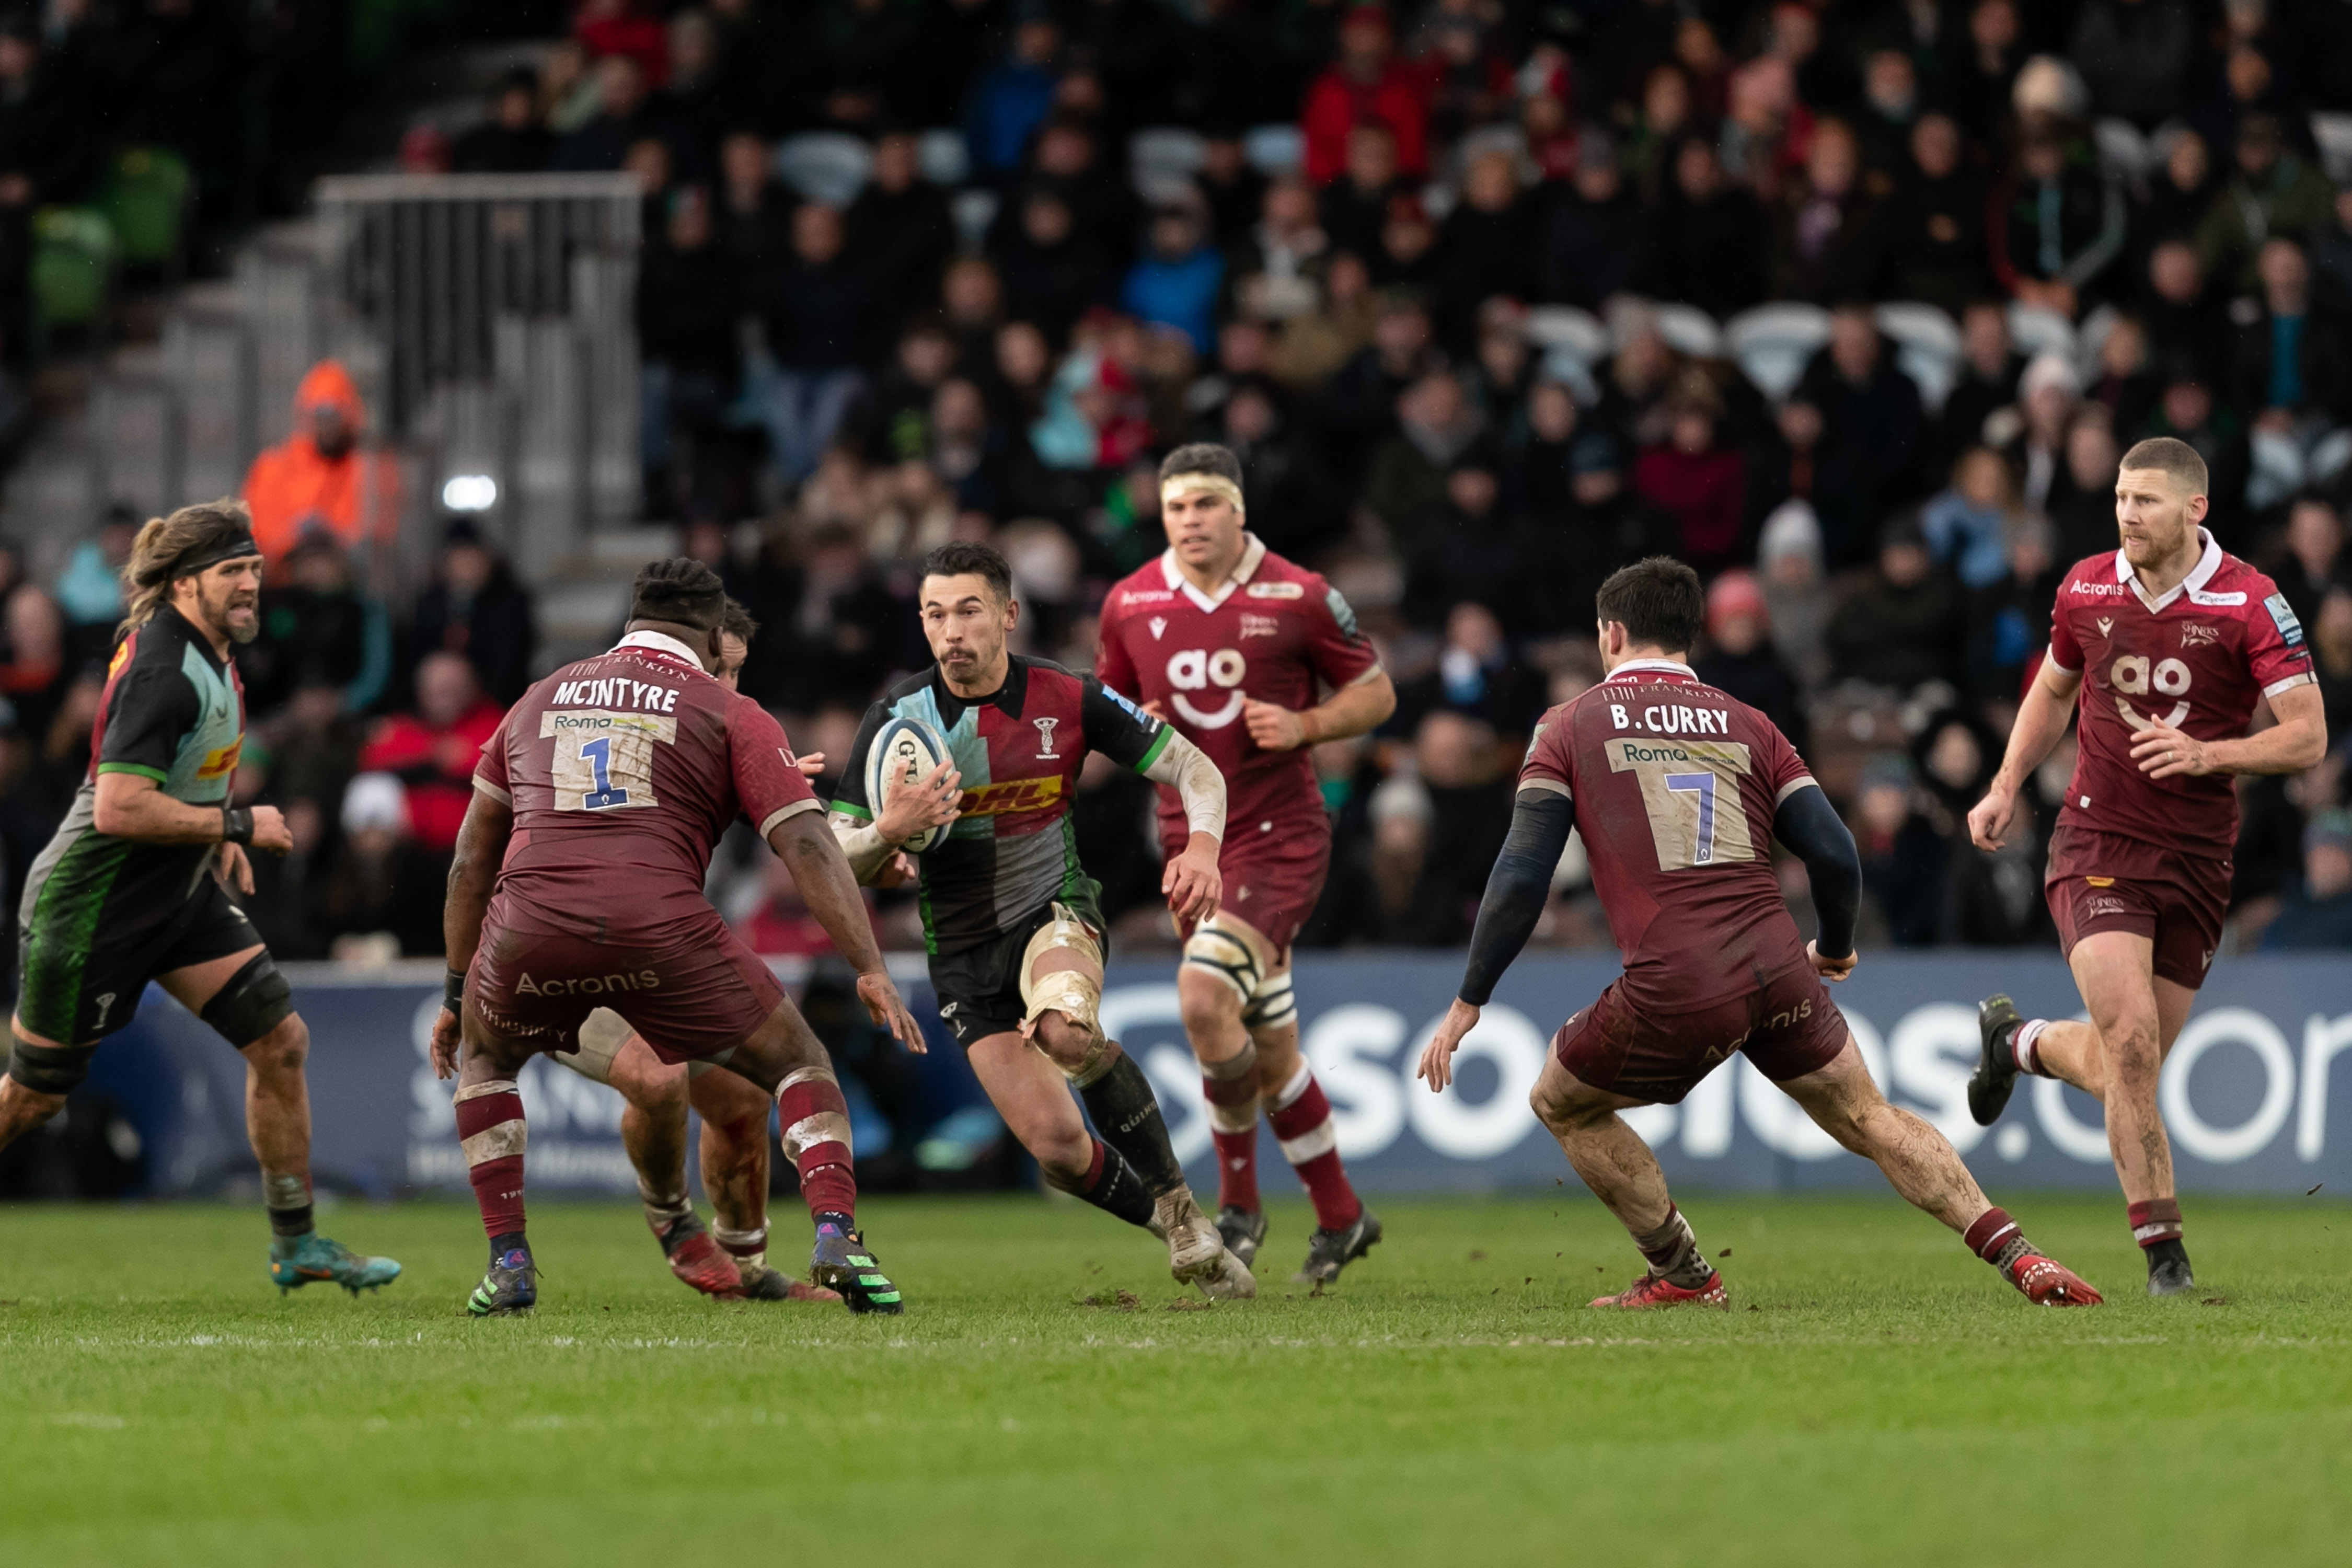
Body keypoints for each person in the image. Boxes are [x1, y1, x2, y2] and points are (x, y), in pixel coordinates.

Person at [1417, 557, 2101, 1311]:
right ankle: (2023, 1258)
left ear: (1611, 634)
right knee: (1869, 1117)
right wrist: (1835, 946)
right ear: (1692, 635)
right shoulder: (1750, 723)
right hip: (1776, 964)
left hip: (1676, 979)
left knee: (1561, 1101)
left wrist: (1470, 998)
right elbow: (1837, 853)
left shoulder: (1568, 724)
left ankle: (1682, 1274)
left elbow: (1521, 875)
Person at [432, 558, 926, 1317]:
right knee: (794, 1064)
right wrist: (869, 964)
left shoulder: (538, 699)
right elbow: (808, 848)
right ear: (709, 637)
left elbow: (472, 858)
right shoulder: (726, 711)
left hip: (529, 932)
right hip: (654, 930)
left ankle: (513, 1261)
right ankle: (827, 1233)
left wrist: (456, 989)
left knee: (497, 1062)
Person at [825, 540, 1254, 1299]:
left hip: (1054, 910)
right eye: (935, 614)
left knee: (1064, 1030)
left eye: (969, 611)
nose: (951, 630)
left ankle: (1187, 1210)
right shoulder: (895, 722)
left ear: (1008, 616)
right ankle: (1175, 1227)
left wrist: (1205, 852)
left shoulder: (1070, 696)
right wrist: (889, 831)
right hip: (960, 955)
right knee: (1058, 1149)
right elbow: (831, 859)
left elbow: (1197, 767)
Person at [0, 501, 400, 1295]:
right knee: (31, 1101)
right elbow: (116, 807)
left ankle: (297, 1242)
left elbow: (178, 770)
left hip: (173, 896)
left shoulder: (208, 648)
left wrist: (213, 841)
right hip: (92, 912)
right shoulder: (161, 667)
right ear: (186, 583)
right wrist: (238, 824)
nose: (253, 586)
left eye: (255, 569)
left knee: (280, 1040)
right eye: (233, 573)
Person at [1965, 437, 2326, 1296]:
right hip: (2100, 842)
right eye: (2122, 497)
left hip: (2199, 858)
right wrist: (2006, 782)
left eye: (2148, 501)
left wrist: (2209, 757)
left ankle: (2019, 1043)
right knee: (2130, 1042)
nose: (2128, 513)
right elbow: (2054, 689)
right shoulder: (2085, 586)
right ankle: (2165, 1257)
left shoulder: (2251, 601)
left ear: (2196, 510)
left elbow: (2308, 734)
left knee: (2133, 1065)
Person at [1094, 444, 1396, 1279]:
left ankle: (1238, 1207)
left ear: (1238, 511)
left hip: (1280, 838)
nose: (1189, 521)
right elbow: (1106, 710)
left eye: (1205, 505)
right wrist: (1133, 724)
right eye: (1176, 507)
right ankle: (1341, 1216)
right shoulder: (1129, 602)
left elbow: (1377, 694)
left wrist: (1304, 727)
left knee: (1200, 997)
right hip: (1190, 843)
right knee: (1265, 1046)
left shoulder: (1300, 596)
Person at [549, 599, 848, 1304]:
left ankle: (744, 1271)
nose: (730, 687)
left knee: (742, 1095)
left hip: (645, 951)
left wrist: (759, 786)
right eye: (723, 668)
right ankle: (673, 1224)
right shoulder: (603, 717)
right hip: (558, 950)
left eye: (738, 673)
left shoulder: (680, 730)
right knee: (658, 1080)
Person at [239, 361, 400, 568]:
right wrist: (295, 541)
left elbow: (377, 534)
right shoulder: (273, 468)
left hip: (347, 582)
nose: (327, 426)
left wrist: (331, 542)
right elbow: (258, 535)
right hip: (285, 580)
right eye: (320, 415)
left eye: (334, 415)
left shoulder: (371, 468)